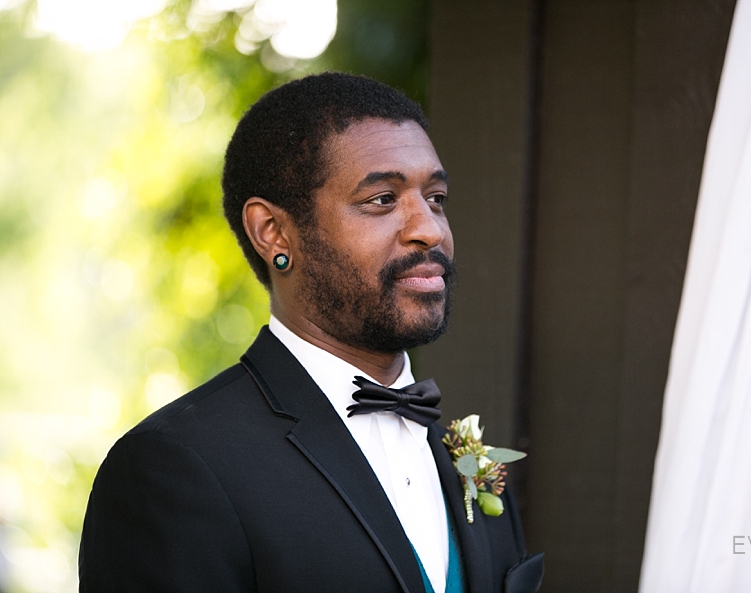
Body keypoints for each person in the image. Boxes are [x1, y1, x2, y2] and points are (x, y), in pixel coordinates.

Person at [78, 72, 543, 593]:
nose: (430, 229)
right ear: (273, 233)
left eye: (435, 198)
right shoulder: (174, 467)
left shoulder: (469, 464)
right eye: (382, 199)